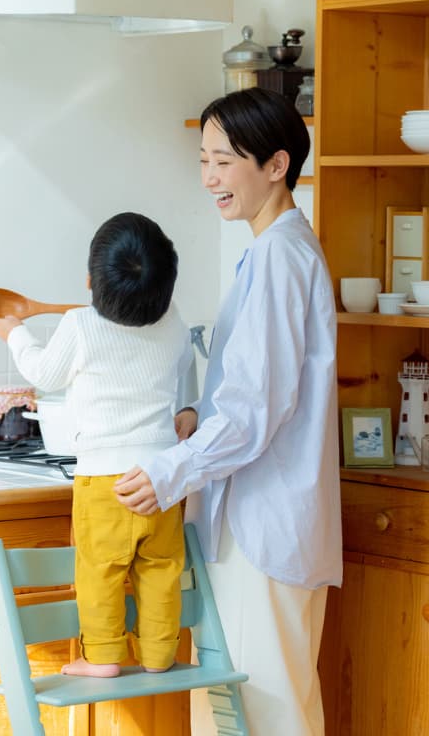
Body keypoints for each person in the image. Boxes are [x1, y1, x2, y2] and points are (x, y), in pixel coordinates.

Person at [114, 88, 341, 735]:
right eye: (203, 161)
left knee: (259, 713)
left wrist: (170, 472)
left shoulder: (279, 256)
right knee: (243, 712)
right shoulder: (276, 250)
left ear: (276, 165)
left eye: (224, 161)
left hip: (261, 530)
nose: (210, 178)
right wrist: (196, 418)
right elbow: (258, 393)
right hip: (261, 525)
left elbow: (253, 413)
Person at [0, 211, 192, 678]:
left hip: (104, 481)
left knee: (100, 569)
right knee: (162, 569)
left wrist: (15, 332)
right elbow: (177, 368)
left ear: (90, 282)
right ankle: (160, 655)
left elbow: (43, 373)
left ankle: (102, 656)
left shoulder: (80, 325)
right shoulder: (175, 321)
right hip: (161, 477)